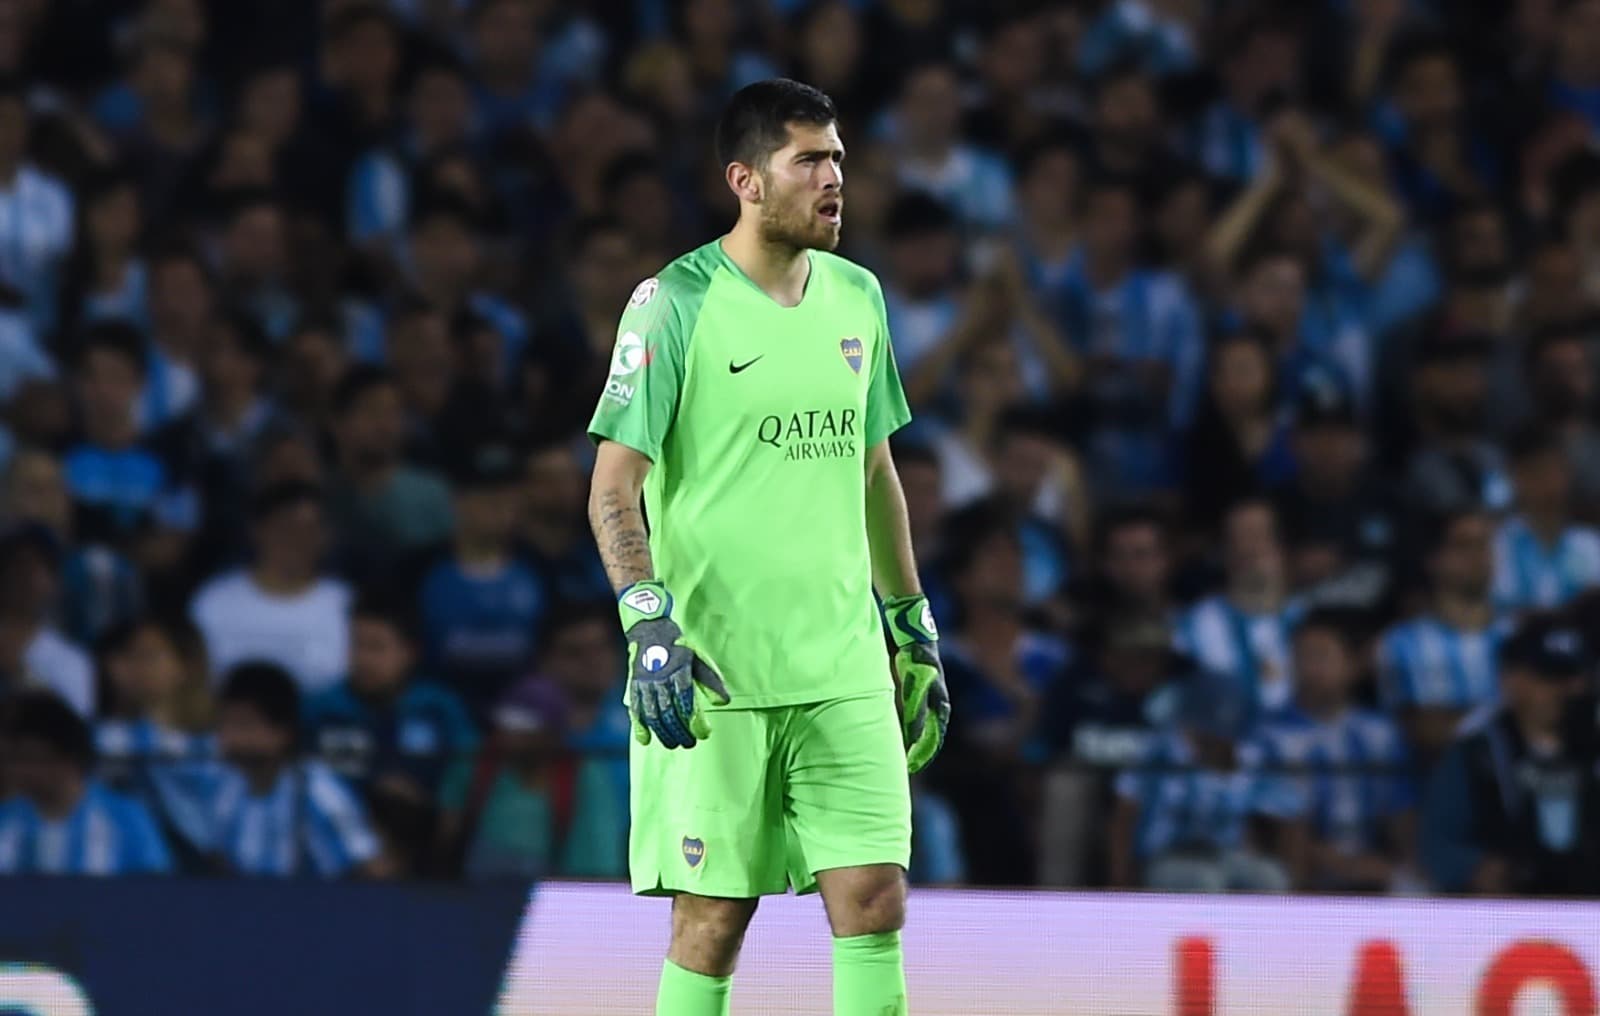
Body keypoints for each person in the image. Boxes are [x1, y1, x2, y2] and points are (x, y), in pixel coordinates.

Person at [585, 79, 948, 1016]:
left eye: (838, 159)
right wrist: (645, 620)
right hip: (716, 671)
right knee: (712, 921)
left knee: (874, 900)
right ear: (746, 180)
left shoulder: (858, 298)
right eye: (809, 162)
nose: (834, 180)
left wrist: (910, 625)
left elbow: (875, 476)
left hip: (842, 663)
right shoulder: (672, 304)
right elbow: (613, 486)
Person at [1421, 614, 1593, 895]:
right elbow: (1439, 846)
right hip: (1507, 912)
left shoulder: (1592, 746)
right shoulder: (1478, 752)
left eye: (1575, 677)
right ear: (1512, 680)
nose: (1569, 690)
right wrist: (1477, 867)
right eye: (1551, 678)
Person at [1107, 667, 1307, 892]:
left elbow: (1291, 813)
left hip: (1225, 854)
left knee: (1270, 878)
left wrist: (1297, 878)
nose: (1217, 737)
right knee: (1206, 881)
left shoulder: (1249, 755)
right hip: (1164, 856)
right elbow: (1123, 817)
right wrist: (1119, 877)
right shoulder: (1157, 750)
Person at [1260, 610, 1416, 892]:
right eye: (1301, 657)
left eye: (1321, 657)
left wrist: (1402, 864)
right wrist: (1339, 864)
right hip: (1303, 870)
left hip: (1373, 862)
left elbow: (1401, 812)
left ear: (1353, 666)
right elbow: (1275, 830)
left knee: (1416, 888)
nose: (1309, 669)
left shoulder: (1380, 733)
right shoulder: (1270, 735)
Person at [207, 661, 384, 879]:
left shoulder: (318, 791)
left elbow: (368, 868)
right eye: (224, 724)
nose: (229, 738)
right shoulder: (225, 788)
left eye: (244, 725)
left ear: (283, 731)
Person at [439, 676, 625, 880]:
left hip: (554, 895)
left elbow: (597, 861)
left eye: (525, 726)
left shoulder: (585, 775)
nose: (511, 735)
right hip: (475, 890)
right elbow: (445, 834)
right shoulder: (475, 763)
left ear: (553, 734)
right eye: (507, 722)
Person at [417, 440, 545, 720]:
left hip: (524, 707)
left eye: (507, 496)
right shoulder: (419, 570)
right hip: (440, 706)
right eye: (486, 496)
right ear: (458, 501)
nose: (499, 507)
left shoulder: (539, 566)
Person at [188, 481, 352, 693]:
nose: (297, 539)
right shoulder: (213, 602)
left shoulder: (345, 603)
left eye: (309, 529)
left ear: (326, 537)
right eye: (286, 528)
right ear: (258, 530)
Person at [1377, 506, 1508, 762]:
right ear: (1434, 559)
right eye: (1463, 545)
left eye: (1484, 544)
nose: (1478, 555)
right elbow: (1427, 732)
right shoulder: (1402, 644)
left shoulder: (1517, 633)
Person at [0, 689, 171, 875]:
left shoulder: (126, 820)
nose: (17, 769)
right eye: (12, 759)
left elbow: (156, 892)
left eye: (29, 758)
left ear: (69, 758)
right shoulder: (6, 820)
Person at [1174, 498, 1302, 718]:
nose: (1247, 548)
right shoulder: (1191, 625)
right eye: (1237, 538)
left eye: (1258, 535)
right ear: (1223, 550)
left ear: (1281, 547)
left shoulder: (1310, 619)